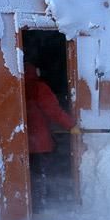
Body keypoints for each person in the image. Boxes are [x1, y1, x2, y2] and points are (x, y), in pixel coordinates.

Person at [24, 62, 79, 209]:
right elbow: (53, 110)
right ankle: (41, 205)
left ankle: (32, 205)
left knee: (28, 175)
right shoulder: (38, 87)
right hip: (39, 142)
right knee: (41, 174)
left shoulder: (17, 86)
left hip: (22, 143)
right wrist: (71, 125)